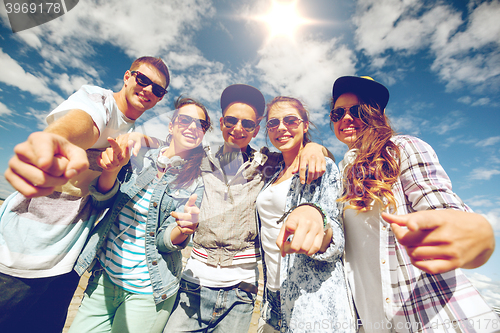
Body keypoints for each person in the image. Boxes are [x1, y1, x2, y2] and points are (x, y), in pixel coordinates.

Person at [0, 56, 169, 333]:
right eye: (142, 80)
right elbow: (83, 123)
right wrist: (56, 139)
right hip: (21, 254)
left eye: (158, 89)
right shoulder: (99, 100)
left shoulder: (134, 134)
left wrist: (144, 139)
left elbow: (175, 141)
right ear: (127, 77)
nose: (148, 90)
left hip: (68, 262)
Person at [329, 76, 498, 332]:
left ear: (377, 113)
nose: (346, 118)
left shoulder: (400, 148)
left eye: (358, 110)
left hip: (435, 317)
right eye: (338, 112)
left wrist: (475, 234)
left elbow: (443, 209)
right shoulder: (339, 173)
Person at [164, 85, 331, 333]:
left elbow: (302, 157)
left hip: (241, 292)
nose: (238, 129)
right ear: (221, 122)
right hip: (193, 285)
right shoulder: (199, 159)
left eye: (248, 124)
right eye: (231, 121)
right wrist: (137, 137)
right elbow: (166, 150)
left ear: (255, 130)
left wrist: (315, 147)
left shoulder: (268, 164)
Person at [68, 97, 210, 333]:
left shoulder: (197, 180)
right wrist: (110, 172)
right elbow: (102, 201)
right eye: (185, 120)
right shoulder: (139, 156)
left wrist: (183, 230)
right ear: (171, 125)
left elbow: (164, 241)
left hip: (149, 290)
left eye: (201, 125)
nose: (193, 127)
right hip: (105, 277)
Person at [256, 96, 353, 333]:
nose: (281, 127)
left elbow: (337, 238)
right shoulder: (272, 174)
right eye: (273, 123)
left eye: (290, 120)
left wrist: (320, 223)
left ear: (305, 125)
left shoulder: (322, 167)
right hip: (273, 297)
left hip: (312, 300)